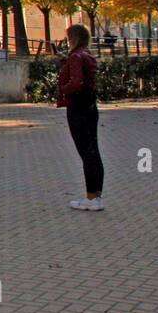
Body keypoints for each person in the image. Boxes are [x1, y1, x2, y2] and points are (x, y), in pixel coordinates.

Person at [58, 23, 104, 211]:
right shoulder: (87, 54)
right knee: (93, 151)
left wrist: (63, 88)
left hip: (77, 106)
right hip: (90, 105)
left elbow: (76, 82)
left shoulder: (76, 56)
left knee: (86, 152)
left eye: (68, 37)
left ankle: (90, 198)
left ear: (74, 38)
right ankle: (96, 196)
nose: (67, 41)